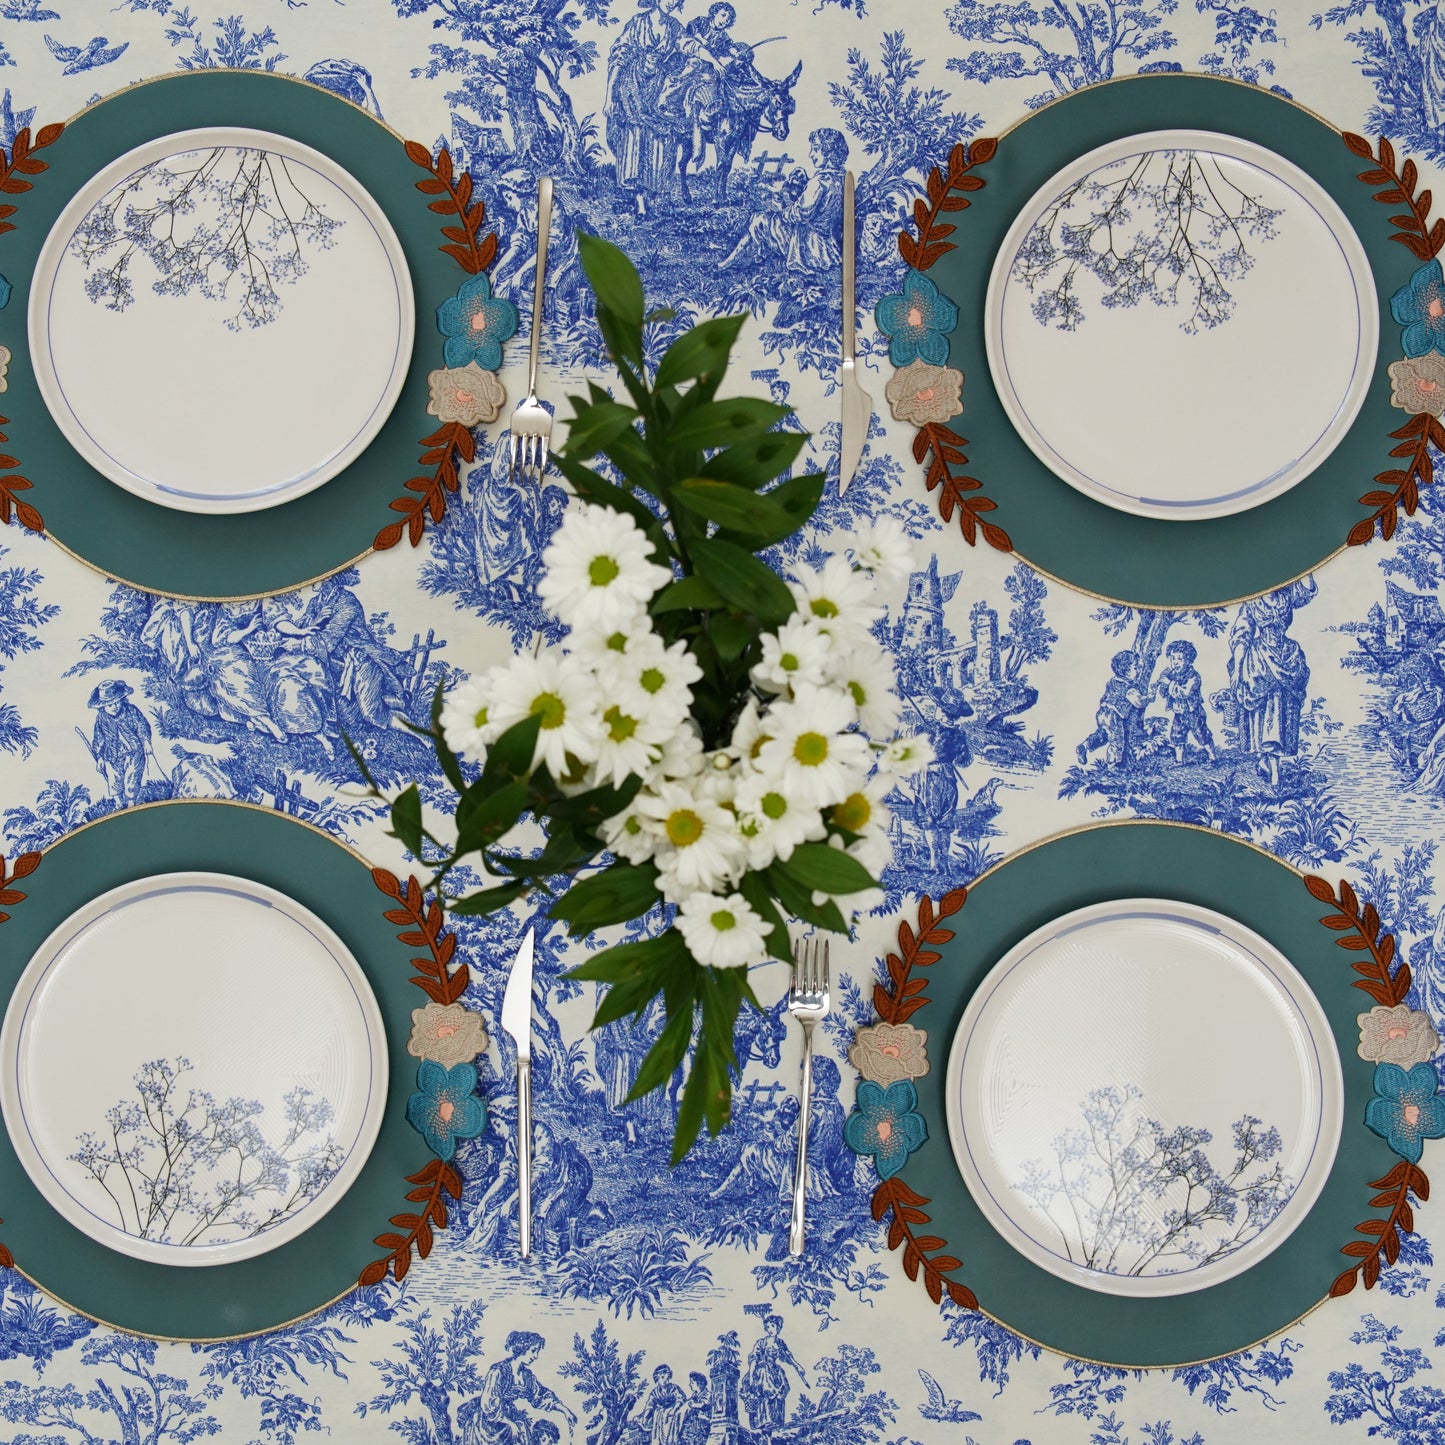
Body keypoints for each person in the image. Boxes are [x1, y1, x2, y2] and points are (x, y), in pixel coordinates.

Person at [1227, 577, 1315, 787]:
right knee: (1265, 712)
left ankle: (1267, 761)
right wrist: (1238, 667)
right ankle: (1274, 772)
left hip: (1286, 654)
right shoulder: (1252, 600)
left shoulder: (1286, 594)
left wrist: (1308, 568)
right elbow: (1241, 634)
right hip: (1260, 659)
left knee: (1282, 711)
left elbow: (1306, 593)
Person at [605, 0, 683, 216]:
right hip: (633, 87)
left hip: (659, 88)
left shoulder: (674, 27)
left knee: (662, 143)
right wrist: (610, 96)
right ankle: (639, 202)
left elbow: (687, 48)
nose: (672, 2)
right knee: (635, 142)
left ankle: (655, 199)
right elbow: (618, 59)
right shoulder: (638, 23)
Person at [460, 1331, 577, 1445]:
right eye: (533, 1351)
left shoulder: (526, 1376)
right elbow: (488, 1404)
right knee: (513, 1429)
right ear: (522, 1348)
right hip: (488, 1421)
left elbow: (540, 1395)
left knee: (522, 1429)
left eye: (537, 1352)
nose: (535, 1356)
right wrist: (509, 1423)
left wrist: (565, 1410)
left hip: (507, 1415)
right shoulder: (498, 1371)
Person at [86, 679, 153, 807]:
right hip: (111, 755)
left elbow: (142, 726)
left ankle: (131, 804)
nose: (115, 707)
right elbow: (99, 738)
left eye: (117, 702)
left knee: (132, 777)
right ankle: (118, 803)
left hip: (133, 751)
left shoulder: (131, 711)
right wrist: (100, 757)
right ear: (102, 706)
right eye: (110, 705)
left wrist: (146, 742)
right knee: (114, 779)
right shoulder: (101, 718)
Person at [1077, 650, 1145, 770]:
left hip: (1102, 712)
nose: (1138, 670)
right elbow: (1139, 703)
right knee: (1116, 740)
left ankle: (1085, 745)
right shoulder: (1129, 687)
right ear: (1127, 671)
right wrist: (1150, 698)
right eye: (1135, 667)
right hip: (1114, 716)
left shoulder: (1112, 682)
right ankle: (1112, 766)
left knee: (1103, 734)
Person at [1153, 638, 1215, 765]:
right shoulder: (1171, 674)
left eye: (1180, 659)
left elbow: (1185, 692)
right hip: (1179, 711)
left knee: (1201, 734)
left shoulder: (1194, 676)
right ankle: (1179, 761)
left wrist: (1169, 683)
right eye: (1173, 658)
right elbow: (1164, 694)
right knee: (1177, 736)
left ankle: (1212, 757)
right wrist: (1162, 685)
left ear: (1188, 660)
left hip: (1193, 712)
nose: (1175, 662)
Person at [740, 1314, 806, 1433]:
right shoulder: (761, 1342)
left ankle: (776, 1420)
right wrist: (751, 1375)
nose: (770, 1329)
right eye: (768, 1326)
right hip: (761, 1371)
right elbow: (753, 1358)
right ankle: (764, 1420)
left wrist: (798, 1366)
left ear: (778, 1327)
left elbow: (788, 1357)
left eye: (773, 1326)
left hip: (774, 1371)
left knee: (783, 1387)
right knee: (766, 1388)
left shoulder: (780, 1343)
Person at [638, 1364, 687, 1445]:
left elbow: (680, 1399)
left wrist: (674, 1409)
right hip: (659, 1414)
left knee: (670, 1428)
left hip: (672, 1413)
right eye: (662, 1378)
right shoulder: (655, 1391)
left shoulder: (674, 1388)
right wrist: (645, 1416)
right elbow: (649, 1404)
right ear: (657, 1378)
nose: (665, 1380)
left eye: (667, 1378)